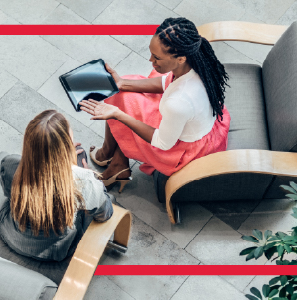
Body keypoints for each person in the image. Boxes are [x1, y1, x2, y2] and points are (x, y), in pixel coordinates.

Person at [80, 17, 231, 194]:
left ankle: (110, 156)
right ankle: (116, 161)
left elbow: (163, 143)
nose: (151, 59)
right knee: (127, 88)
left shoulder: (179, 102)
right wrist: (122, 83)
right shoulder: (195, 63)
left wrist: (118, 114)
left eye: (157, 57)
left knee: (121, 105)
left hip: (181, 150)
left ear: (181, 58)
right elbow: (165, 82)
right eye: (152, 53)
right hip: (195, 124)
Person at [0, 109, 114, 262]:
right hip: (54, 251)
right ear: (65, 148)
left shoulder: (11, 164)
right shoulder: (84, 181)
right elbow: (105, 214)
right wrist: (87, 174)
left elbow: (8, 194)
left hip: (10, 233)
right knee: (89, 204)